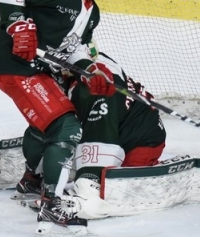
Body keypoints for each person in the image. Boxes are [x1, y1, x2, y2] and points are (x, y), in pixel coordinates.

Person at [0, 0, 118, 234]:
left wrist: (91, 70)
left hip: (39, 69)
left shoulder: (91, 11)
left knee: (47, 124)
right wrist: (17, 25)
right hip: (17, 65)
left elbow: (76, 49)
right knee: (66, 128)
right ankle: (52, 203)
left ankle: (31, 181)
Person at [66, 45, 167, 219]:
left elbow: (98, 126)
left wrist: (89, 179)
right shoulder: (84, 72)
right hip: (118, 128)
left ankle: (97, 180)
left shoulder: (97, 81)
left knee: (119, 182)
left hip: (141, 140)